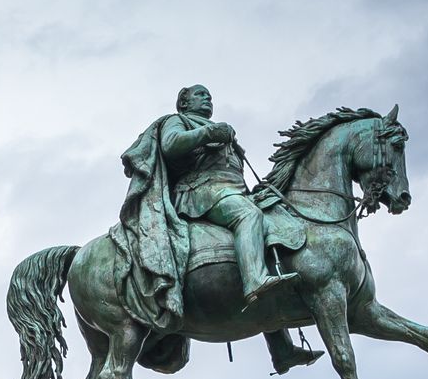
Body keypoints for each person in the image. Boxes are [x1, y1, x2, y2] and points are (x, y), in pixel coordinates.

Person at [121, 84, 298, 308]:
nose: (207, 99)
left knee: (272, 231)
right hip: (201, 191)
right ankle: (255, 279)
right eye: (200, 95)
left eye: (210, 96)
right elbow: (170, 143)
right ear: (185, 103)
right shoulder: (177, 121)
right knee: (248, 215)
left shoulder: (214, 128)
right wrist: (209, 133)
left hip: (230, 191)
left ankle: (279, 342)